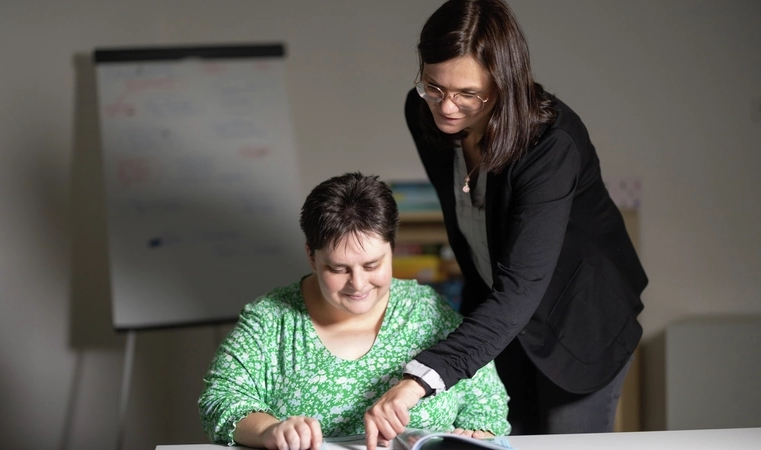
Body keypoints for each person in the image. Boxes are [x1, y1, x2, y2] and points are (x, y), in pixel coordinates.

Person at [364, 0, 648, 445]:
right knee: (490, 440)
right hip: (497, 314)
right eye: (434, 87)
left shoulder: (551, 146)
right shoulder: (424, 113)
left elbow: (522, 287)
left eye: (467, 94)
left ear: (503, 84)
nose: (447, 109)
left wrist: (420, 379)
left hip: (578, 322)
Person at [199, 172, 511, 450]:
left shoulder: (427, 311)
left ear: (392, 247)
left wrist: (477, 434)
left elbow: (487, 401)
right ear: (311, 255)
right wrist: (269, 429)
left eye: (372, 265)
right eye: (338, 268)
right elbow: (220, 401)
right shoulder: (270, 321)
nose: (357, 284)